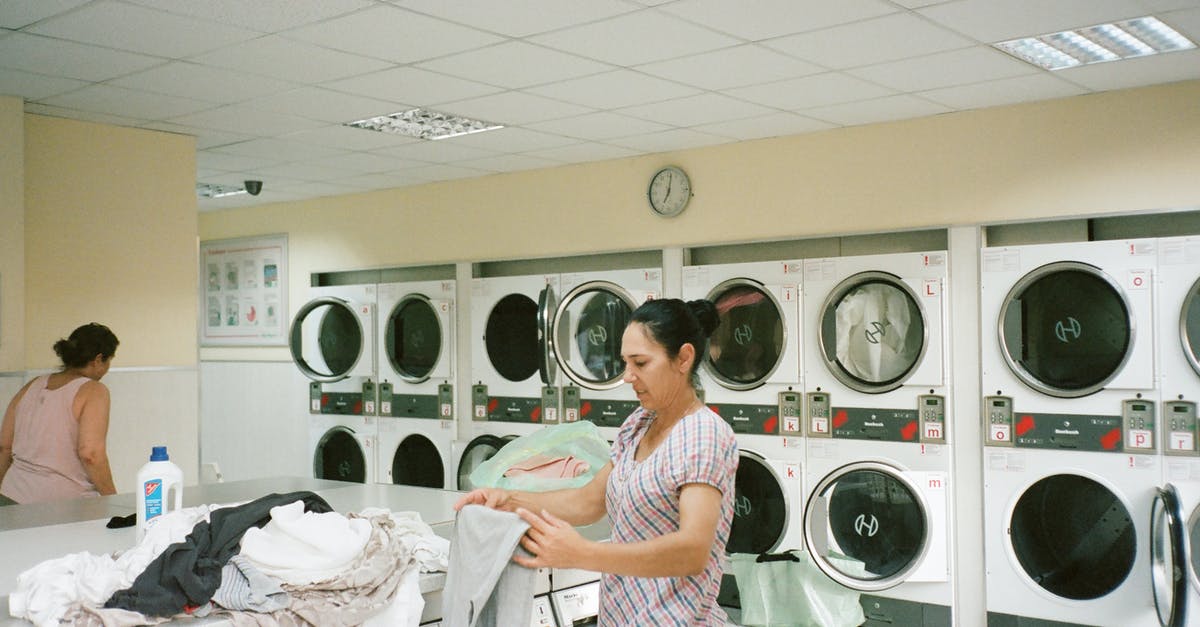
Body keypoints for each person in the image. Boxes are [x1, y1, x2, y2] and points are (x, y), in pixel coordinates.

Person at [455, 299, 739, 625]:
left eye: (641, 363)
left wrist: (582, 554)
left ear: (684, 358)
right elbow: (588, 502)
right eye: (625, 363)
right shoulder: (639, 425)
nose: (628, 376)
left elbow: (693, 551)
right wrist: (509, 500)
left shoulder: (704, 436)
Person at [0, 323, 120, 503]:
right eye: (109, 360)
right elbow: (91, 454)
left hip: (11, 494)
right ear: (98, 359)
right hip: (60, 507)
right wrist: (113, 501)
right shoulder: (94, 391)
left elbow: (4, 446)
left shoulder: (32, 385)